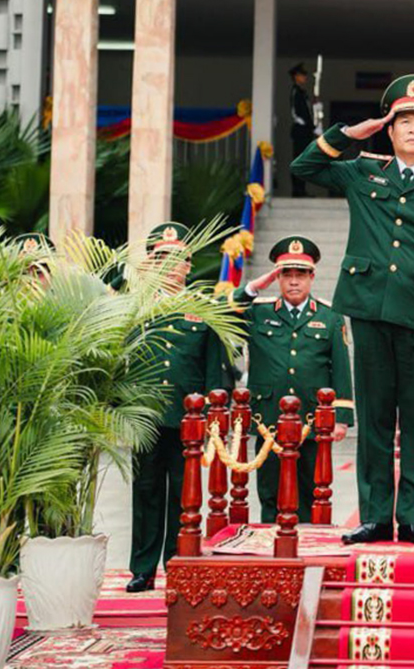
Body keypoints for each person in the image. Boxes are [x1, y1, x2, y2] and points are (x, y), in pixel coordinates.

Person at [291, 74, 414, 546]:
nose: (413, 128)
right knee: (373, 418)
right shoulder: (363, 171)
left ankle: (413, 517)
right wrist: (351, 133)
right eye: (403, 121)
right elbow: (305, 165)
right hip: (369, 307)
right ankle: (373, 516)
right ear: (388, 131)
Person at [127, 222, 232, 592]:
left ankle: (177, 562)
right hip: (145, 416)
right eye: (162, 259)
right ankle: (142, 569)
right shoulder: (136, 306)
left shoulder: (204, 309)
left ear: (189, 265)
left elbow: (214, 368)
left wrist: (214, 417)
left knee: (183, 495)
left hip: (188, 419)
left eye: (178, 259)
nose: (171, 266)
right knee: (146, 491)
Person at [234, 236, 354, 523]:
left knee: (311, 489)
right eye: (286, 275)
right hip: (268, 418)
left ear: (312, 277)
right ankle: (269, 540)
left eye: (301, 274)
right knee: (270, 490)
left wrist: (341, 417)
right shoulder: (258, 311)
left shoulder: (330, 316)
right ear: (277, 279)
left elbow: (340, 368)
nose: (294, 281)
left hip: (310, 418)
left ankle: (308, 540)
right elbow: (223, 312)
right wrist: (253, 288)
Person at [289, 62, 313, 197]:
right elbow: (298, 114)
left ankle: (301, 189)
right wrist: (310, 126)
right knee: (299, 160)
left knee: (305, 160)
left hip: (306, 131)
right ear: (296, 77)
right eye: (302, 75)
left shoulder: (302, 92)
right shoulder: (295, 92)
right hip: (300, 131)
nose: (305, 77)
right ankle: (297, 190)